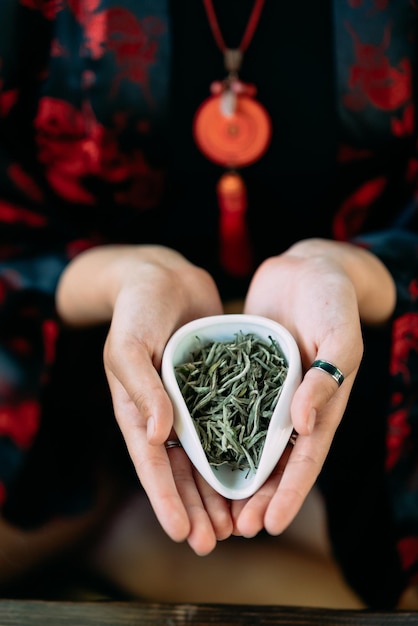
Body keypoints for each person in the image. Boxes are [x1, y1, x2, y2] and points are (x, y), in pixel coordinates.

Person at [0, 0, 417, 609]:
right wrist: (121, 276)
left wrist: (353, 273)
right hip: (62, 352)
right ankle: (115, 527)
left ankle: (120, 541)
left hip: (354, 363)